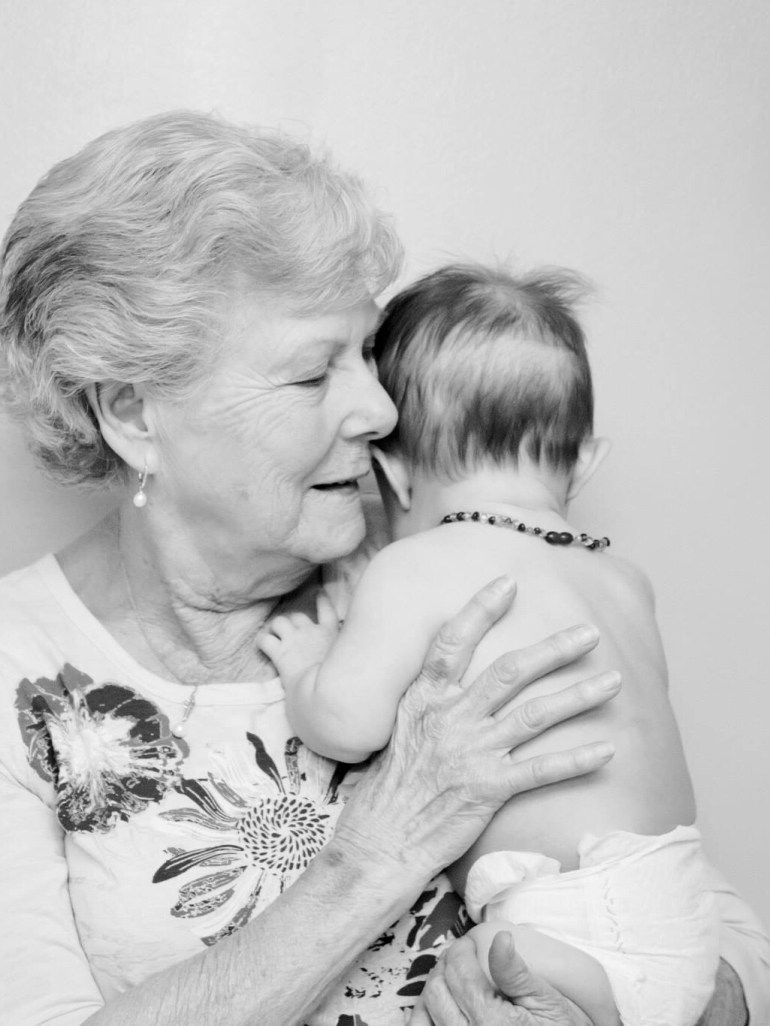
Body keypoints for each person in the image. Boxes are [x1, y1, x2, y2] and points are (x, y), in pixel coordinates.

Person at [0, 112, 763, 1026]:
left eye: (367, 352)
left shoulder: (436, 565)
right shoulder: (18, 672)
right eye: (311, 374)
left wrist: (645, 1007)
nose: (380, 409)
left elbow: (694, 913)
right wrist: (379, 852)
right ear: (132, 414)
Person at [260, 264, 770, 1026]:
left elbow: (348, 723)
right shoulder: (625, 582)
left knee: (472, 977)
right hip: (688, 927)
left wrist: (309, 664)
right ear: (584, 462)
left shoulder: (416, 564)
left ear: (393, 476)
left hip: (564, 929)